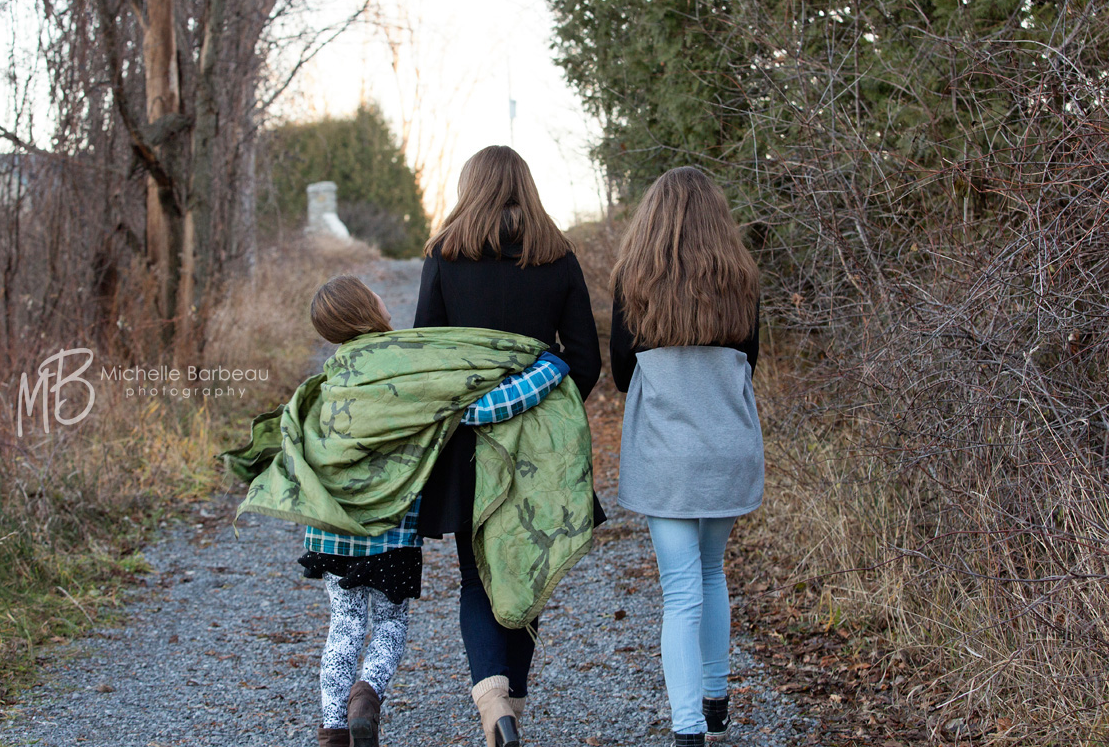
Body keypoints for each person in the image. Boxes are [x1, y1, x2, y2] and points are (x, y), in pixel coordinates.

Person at [228, 275, 571, 747]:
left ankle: (332, 730)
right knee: (389, 625)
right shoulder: (404, 371)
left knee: (344, 624)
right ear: (372, 309)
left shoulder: (329, 382)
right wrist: (549, 368)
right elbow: (478, 408)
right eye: (374, 295)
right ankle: (367, 697)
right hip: (391, 531)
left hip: (332, 532)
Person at [413, 145, 602, 747]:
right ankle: (511, 703)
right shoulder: (558, 256)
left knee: (476, 578)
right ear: (528, 184)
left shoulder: (446, 255)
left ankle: (495, 706)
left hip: (469, 443)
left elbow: (426, 358)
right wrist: (537, 396)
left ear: (470, 187)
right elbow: (586, 362)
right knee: (526, 567)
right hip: (540, 445)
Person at [609, 167, 763, 746]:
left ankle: (688, 727)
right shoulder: (741, 278)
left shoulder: (634, 279)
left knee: (680, 590)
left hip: (667, 452)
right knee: (711, 571)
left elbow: (623, 374)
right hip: (726, 445)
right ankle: (716, 697)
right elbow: (752, 358)